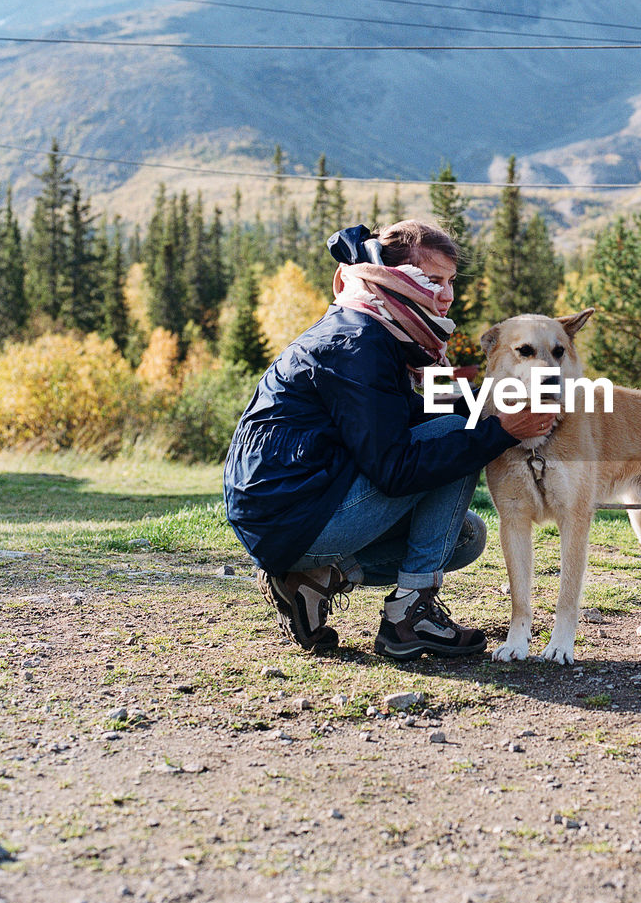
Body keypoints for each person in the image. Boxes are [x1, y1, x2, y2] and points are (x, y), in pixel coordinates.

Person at [223, 219, 553, 659]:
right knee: (461, 435)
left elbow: (403, 414)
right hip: (293, 514)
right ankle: (408, 616)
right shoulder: (359, 343)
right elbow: (396, 470)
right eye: (433, 280)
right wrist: (498, 432)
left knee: (466, 537)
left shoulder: (374, 327)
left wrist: (492, 398)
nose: (448, 294)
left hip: (290, 510)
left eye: (451, 281)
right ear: (396, 278)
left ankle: (313, 579)